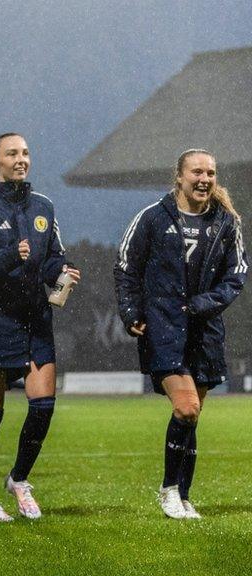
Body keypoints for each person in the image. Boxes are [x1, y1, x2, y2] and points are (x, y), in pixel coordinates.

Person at [0, 132, 80, 522]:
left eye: (25, 152)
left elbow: (51, 256)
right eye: (12, 153)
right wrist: (8, 255)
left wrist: (62, 270)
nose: (21, 159)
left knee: (43, 404)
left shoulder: (44, 206)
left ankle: (19, 479)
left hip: (35, 318)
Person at [115, 149, 246, 520]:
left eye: (211, 173)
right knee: (186, 407)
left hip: (205, 331)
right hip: (163, 327)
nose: (204, 179)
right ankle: (169, 490)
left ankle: (184, 496)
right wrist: (130, 312)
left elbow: (236, 277)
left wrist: (201, 305)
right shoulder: (152, 218)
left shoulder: (226, 223)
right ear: (179, 176)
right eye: (197, 172)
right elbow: (126, 268)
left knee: (192, 417)